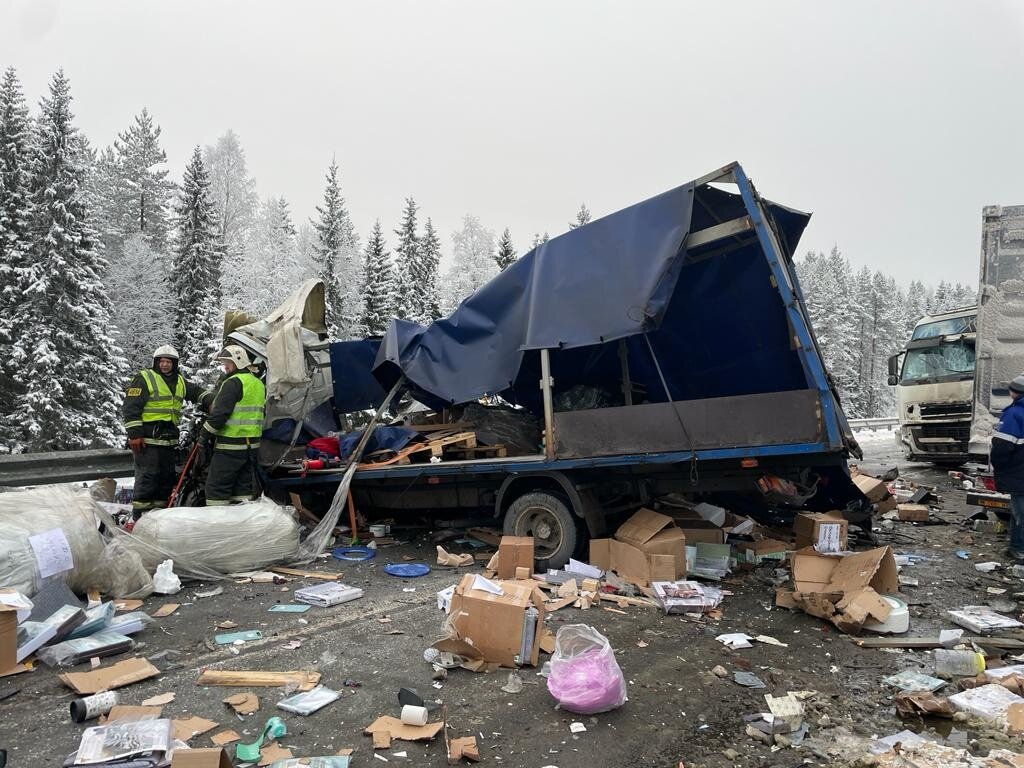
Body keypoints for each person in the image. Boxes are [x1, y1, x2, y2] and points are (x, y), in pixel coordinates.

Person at [122, 345, 210, 517]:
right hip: (147, 441)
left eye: (168, 362)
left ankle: (159, 517)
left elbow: (197, 392)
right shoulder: (145, 378)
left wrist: (211, 400)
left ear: (174, 364)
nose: (164, 365)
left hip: (168, 442)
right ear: (156, 362)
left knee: (165, 481)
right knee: (147, 479)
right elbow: (131, 408)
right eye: (161, 361)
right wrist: (135, 435)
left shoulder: (180, 382)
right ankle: (140, 517)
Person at [198, 344, 266, 505]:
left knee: (216, 490)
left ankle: (219, 526)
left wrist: (203, 436)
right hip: (251, 447)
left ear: (238, 361)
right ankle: (241, 525)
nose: (225, 367)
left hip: (230, 446)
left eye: (227, 363)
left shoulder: (233, 382)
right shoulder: (257, 383)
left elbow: (219, 415)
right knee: (242, 491)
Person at [991, 374, 1024, 561]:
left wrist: (999, 466)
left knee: (1020, 513)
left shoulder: (1014, 414)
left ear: (1014, 393)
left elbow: (1002, 447)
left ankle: (1018, 549)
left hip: (1018, 472)